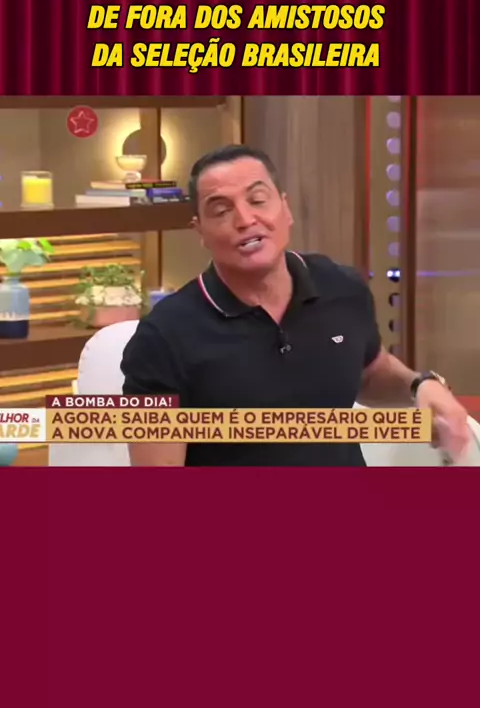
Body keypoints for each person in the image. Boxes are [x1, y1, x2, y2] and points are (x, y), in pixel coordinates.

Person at [121, 144, 470, 466]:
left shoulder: (340, 286)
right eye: (222, 210)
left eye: (258, 200)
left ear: (285, 208)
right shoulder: (162, 335)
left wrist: (419, 385)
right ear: (200, 231)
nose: (245, 220)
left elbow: (368, 371)